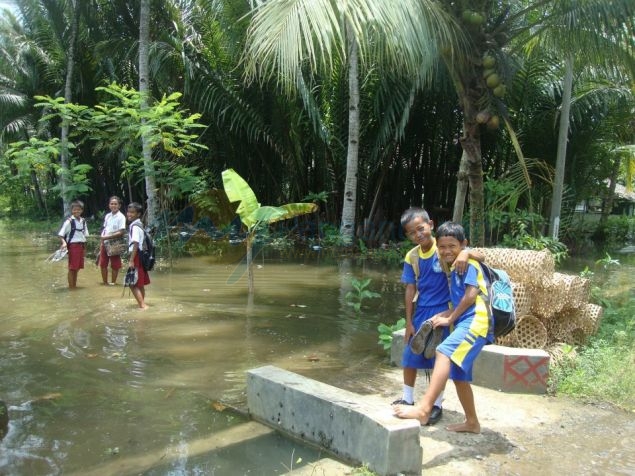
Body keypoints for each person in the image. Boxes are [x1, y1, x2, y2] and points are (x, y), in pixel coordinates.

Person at [393, 221, 494, 433]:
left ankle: (425, 408)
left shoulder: (468, 264)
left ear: (463, 245)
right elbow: (458, 300)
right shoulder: (448, 263)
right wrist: (446, 315)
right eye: (443, 247)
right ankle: (472, 422)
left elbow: (470, 297)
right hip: (464, 319)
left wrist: (450, 319)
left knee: (443, 352)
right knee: (459, 375)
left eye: (453, 247)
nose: (447, 251)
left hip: (475, 320)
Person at [57, 200, 89, 289]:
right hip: (73, 246)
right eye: (74, 210)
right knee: (72, 268)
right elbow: (61, 234)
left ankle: (74, 285)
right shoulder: (69, 221)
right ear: (72, 210)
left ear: (82, 210)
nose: (76, 211)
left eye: (78, 210)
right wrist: (64, 243)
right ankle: (71, 288)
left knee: (77, 268)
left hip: (81, 246)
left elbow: (85, 236)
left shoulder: (83, 221)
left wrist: (85, 249)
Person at [98, 196, 127, 285]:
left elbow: (121, 232)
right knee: (103, 264)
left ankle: (113, 283)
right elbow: (105, 229)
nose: (113, 205)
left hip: (115, 243)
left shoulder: (121, 217)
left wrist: (106, 237)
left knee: (115, 265)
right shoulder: (107, 216)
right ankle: (105, 283)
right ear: (109, 205)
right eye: (112, 204)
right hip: (105, 242)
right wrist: (102, 241)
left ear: (119, 206)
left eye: (115, 204)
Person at [126, 202, 150, 310]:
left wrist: (131, 260)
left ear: (138, 214)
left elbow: (135, 243)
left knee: (132, 283)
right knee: (139, 283)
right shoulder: (139, 224)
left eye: (132, 212)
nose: (129, 214)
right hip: (140, 255)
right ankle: (142, 304)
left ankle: (142, 305)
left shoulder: (134, 226)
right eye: (128, 212)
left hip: (136, 256)